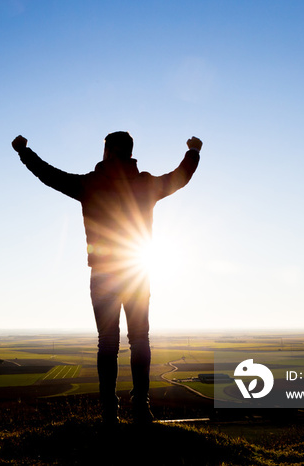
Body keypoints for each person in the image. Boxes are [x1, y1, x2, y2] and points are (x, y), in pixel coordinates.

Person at [12, 131, 201, 424]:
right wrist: (193, 151)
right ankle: (141, 407)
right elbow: (180, 177)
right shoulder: (145, 185)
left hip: (104, 273)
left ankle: (109, 411)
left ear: (110, 152)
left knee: (108, 342)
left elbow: (49, 175)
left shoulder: (90, 183)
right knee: (140, 339)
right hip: (137, 271)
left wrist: (24, 151)